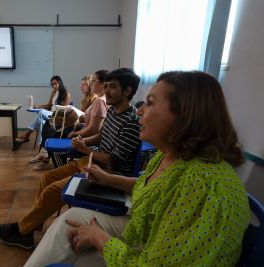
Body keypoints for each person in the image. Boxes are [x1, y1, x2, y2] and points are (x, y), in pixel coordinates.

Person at [24, 71, 250, 267]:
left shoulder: (202, 184)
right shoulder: (171, 154)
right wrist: (107, 180)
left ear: (186, 116)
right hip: (143, 235)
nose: (140, 111)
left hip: (145, 252)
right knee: (70, 220)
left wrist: (98, 238)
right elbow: (150, 186)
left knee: (73, 241)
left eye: (151, 102)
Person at [0, 68, 142, 249]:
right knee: (47, 177)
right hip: (93, 163)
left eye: (112, 87)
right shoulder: (113, 111)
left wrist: (85, 150)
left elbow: (113, 161)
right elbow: (101, 135)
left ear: (128, 91)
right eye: (106, 86)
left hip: (106, 173)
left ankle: (23, 229)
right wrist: (83, 140)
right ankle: (28, 229)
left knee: (53, 190)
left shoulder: (131, 122)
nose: (106, 90)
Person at [32, 70, 109, 170]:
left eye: (94, 80)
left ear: (103, 84)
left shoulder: (99, 101)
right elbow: (90, 121)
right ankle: (45, 153)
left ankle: (55, 165)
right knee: (50, 125)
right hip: (82, 128)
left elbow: (94, 130)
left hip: (85, 133)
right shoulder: (100, 99)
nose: (91, 83)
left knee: (53, 133)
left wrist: (75, 134)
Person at [16, 75, 71, 145]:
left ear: (60, 83)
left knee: (41, 112)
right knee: (42, 121)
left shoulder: (66, 94)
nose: (54, 86)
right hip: (50, 113)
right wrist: (37, 105)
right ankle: (42, 145)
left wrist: (51, 112)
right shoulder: (53, 93)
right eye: (52, 84)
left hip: (58, 116)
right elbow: (49, 105)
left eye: (55, 83)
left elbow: (64, 110)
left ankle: (27, 134)